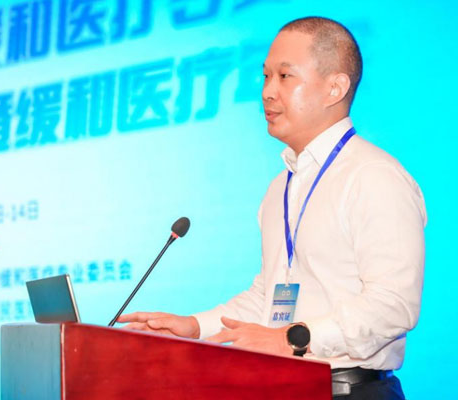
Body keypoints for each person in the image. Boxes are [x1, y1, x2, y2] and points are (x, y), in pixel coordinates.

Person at [118, 16, 426, 400]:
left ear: (335, 87)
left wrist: (292, 338)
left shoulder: (373, 176)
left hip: (349, 391)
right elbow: (268, 298)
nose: (267, 92)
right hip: (283, 387)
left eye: (284, 76)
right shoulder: (281, 186)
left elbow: (393, 306)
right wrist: (195, 326)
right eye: (265, 76)